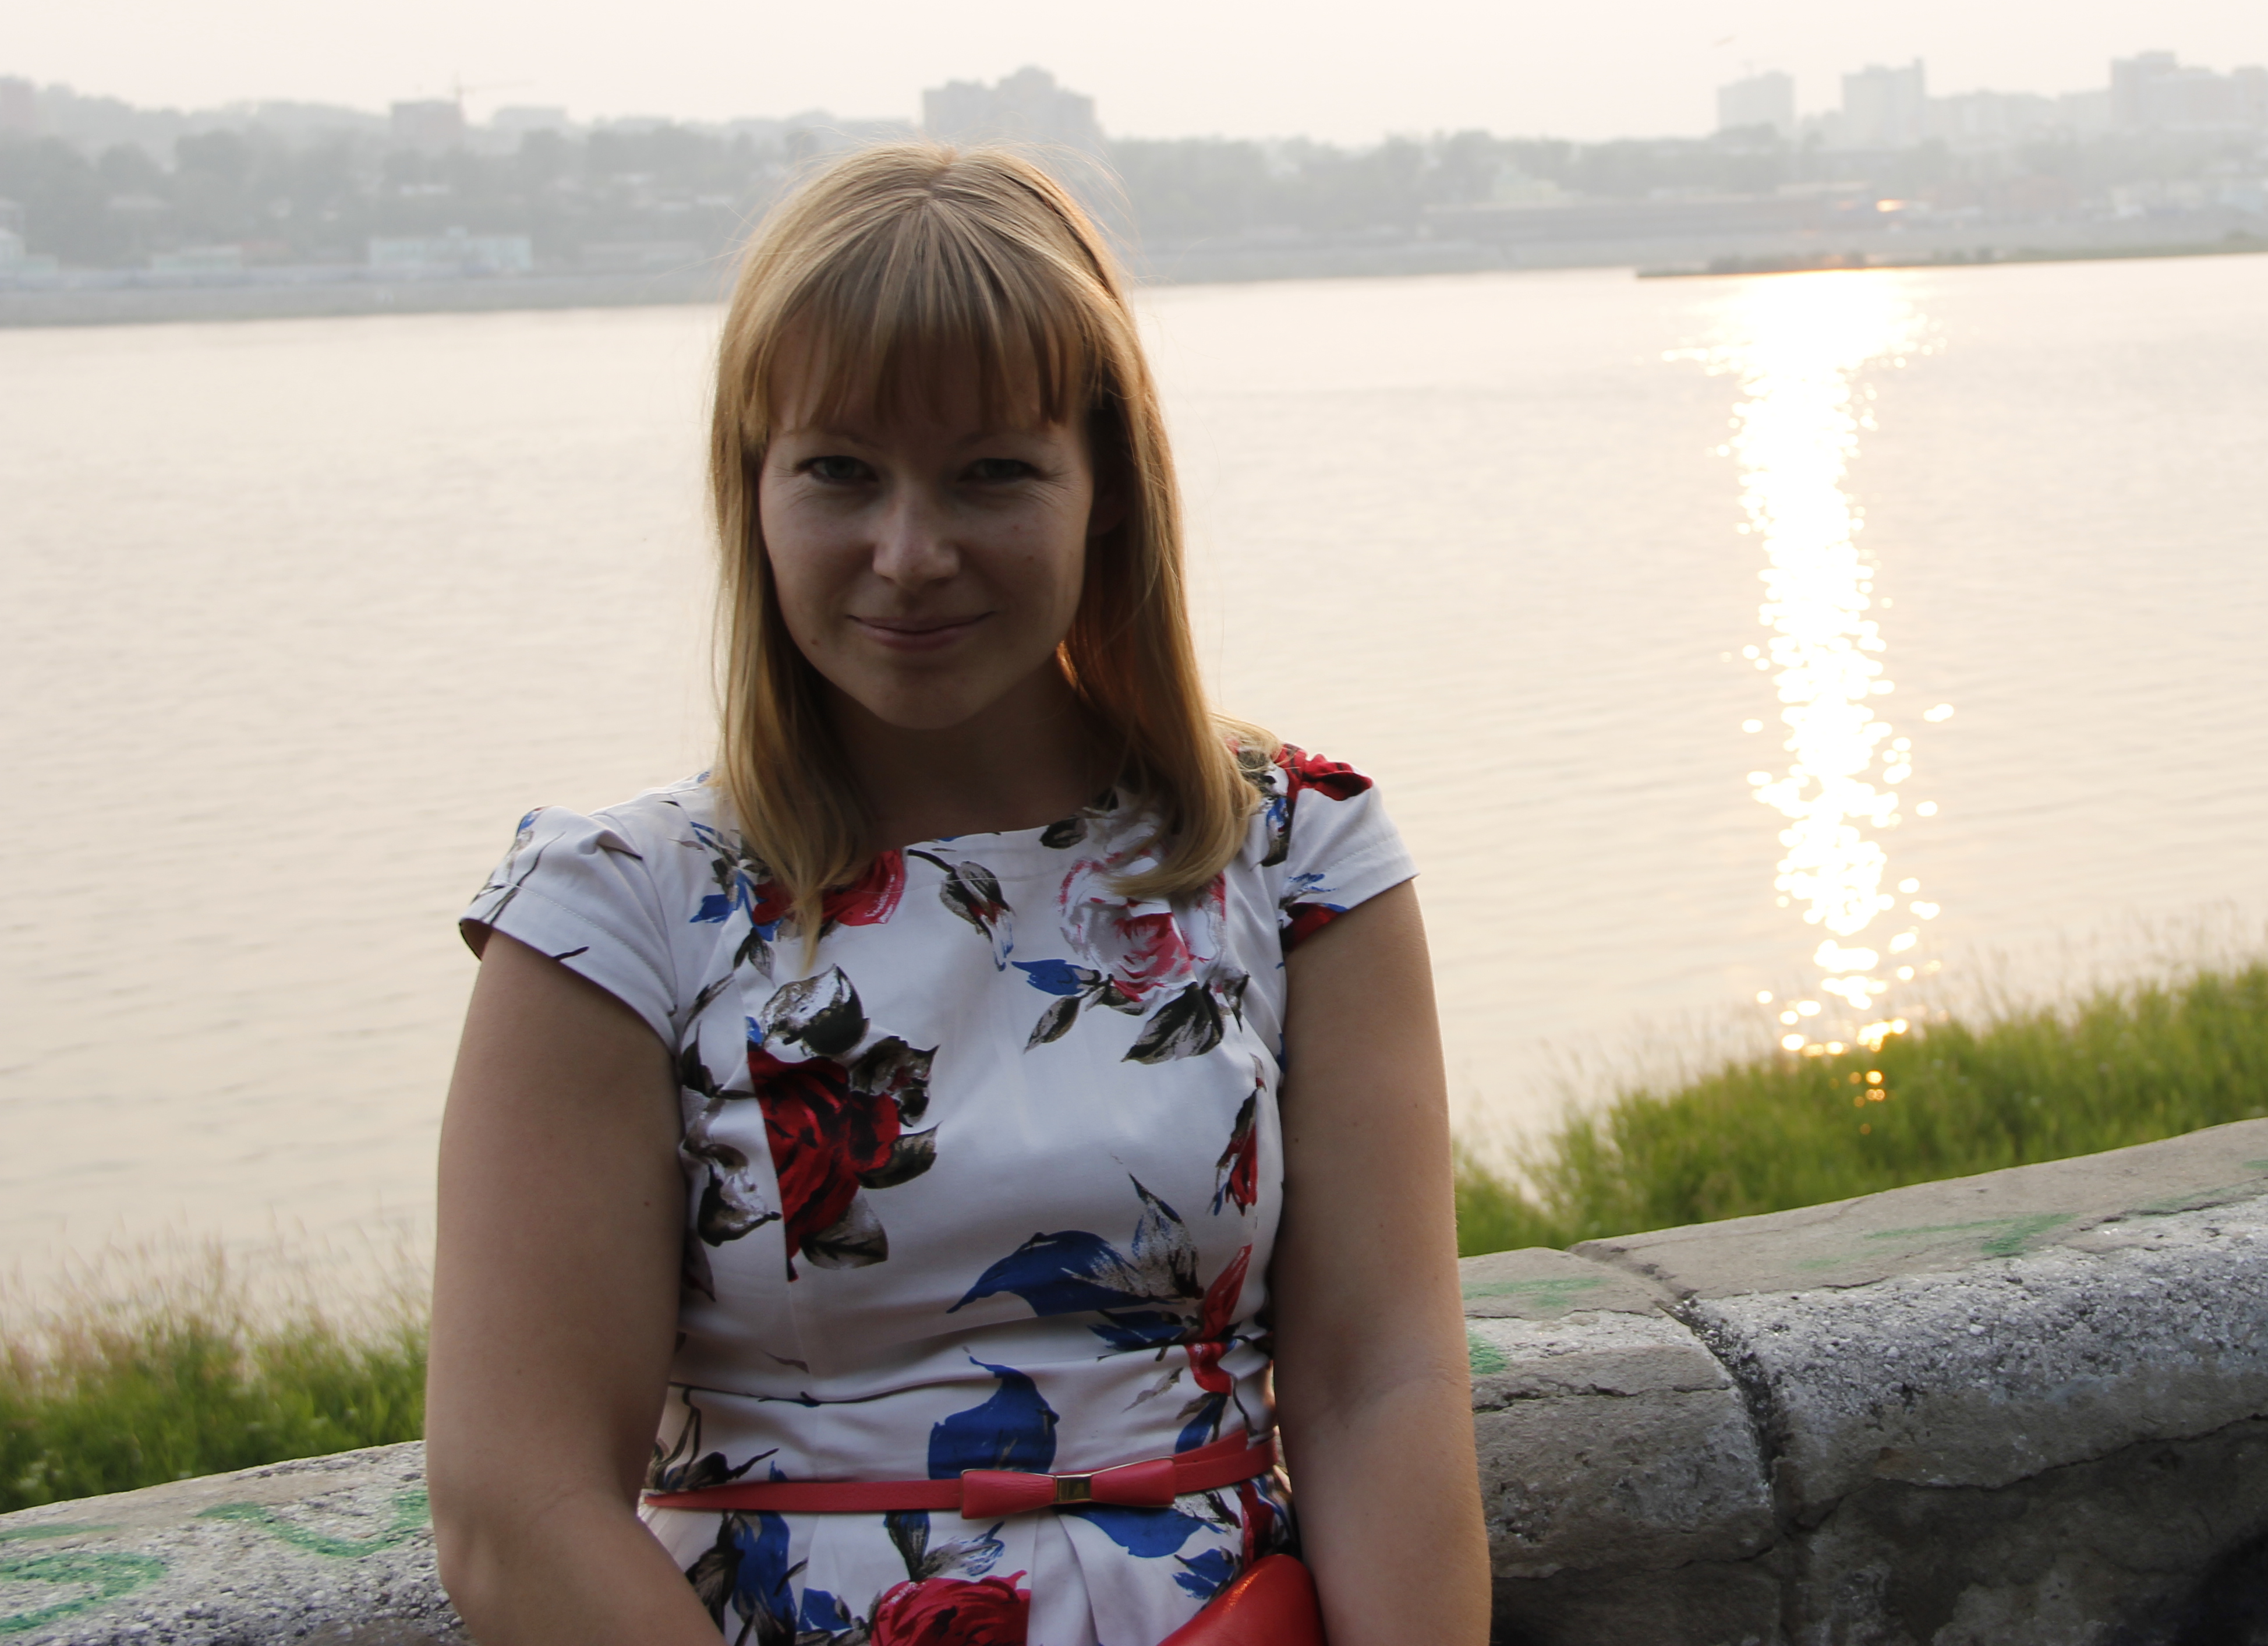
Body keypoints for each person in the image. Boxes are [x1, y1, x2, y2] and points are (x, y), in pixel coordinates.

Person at [426, 145, 1489, 1646]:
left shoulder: (1298, 854)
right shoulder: (612, 917)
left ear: (1105, 488)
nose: (910, 554)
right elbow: (513, 1511)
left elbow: (1382, 1384)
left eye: (993, 471)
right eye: (839, 470)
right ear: (752, 486)